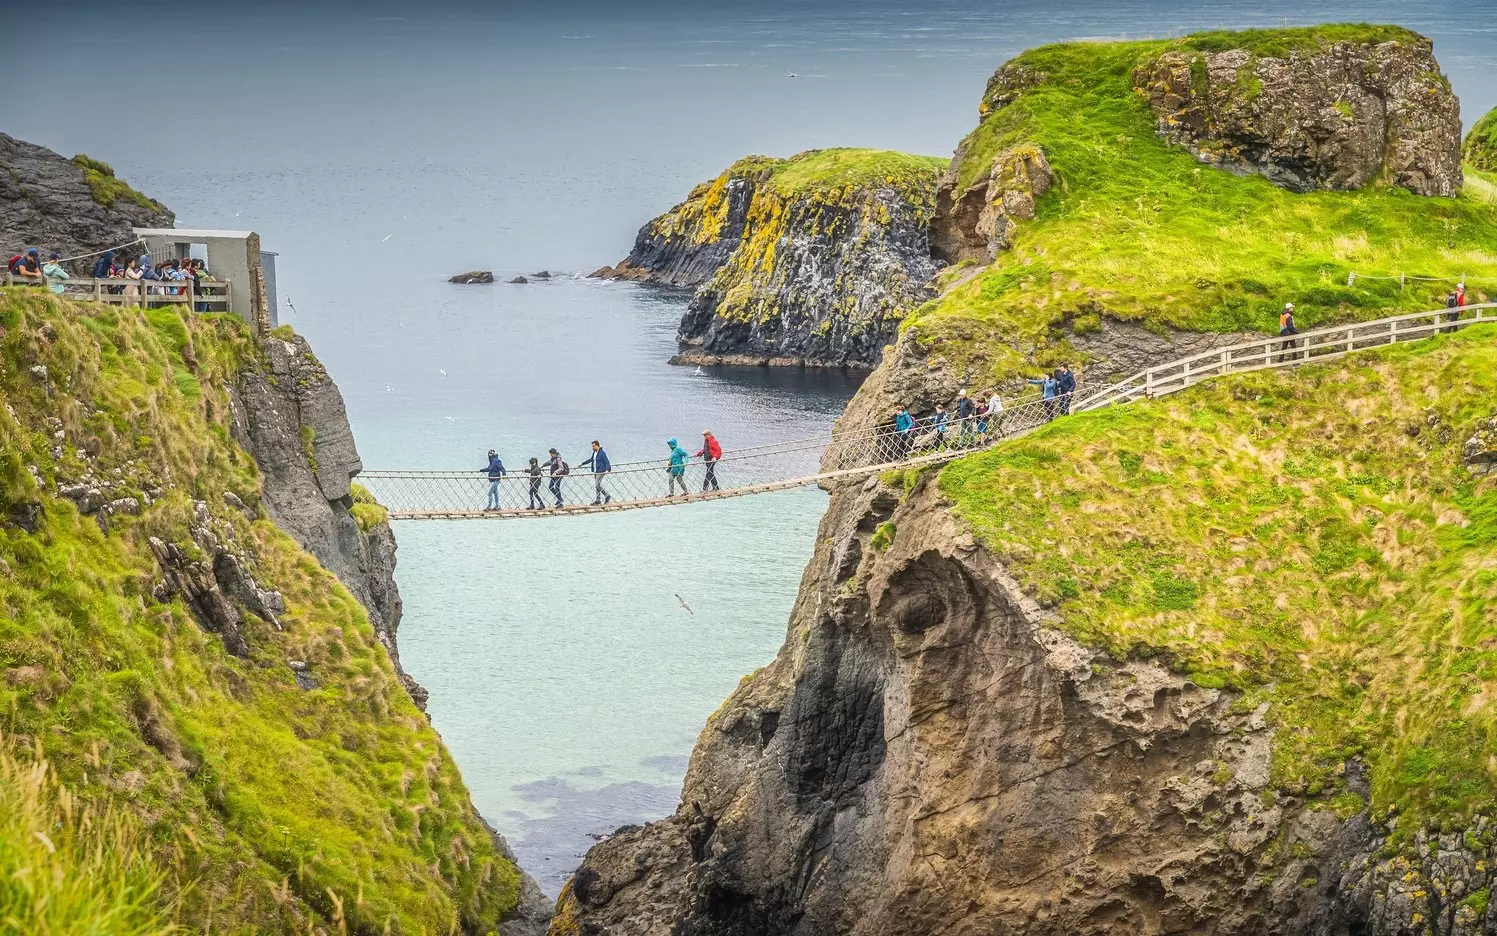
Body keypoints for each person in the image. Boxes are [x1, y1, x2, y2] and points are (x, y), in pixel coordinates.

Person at [579, 440, 613, 505]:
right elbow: (591, 459)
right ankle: (598, 500)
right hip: (595, 471)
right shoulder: (594, 453)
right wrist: (582, 464)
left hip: (601, 471)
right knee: (597, 486)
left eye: (593, 446)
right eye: (592, 446)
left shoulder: (602, 453)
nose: (592, 448)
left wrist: (607, 470)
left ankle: (607, 495)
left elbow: (607, 461)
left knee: (597, 485)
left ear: (598, 446)